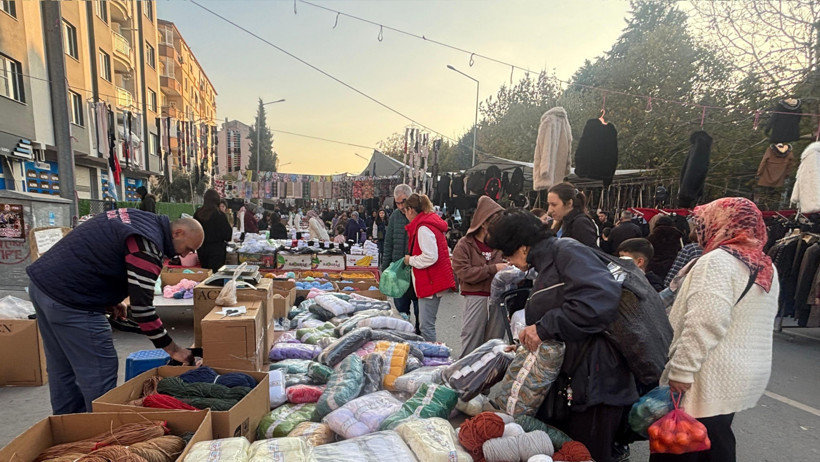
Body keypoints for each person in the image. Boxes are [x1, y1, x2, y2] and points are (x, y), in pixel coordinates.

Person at [487, 208, 635, 462]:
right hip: (577, 378)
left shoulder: (566, 251)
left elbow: (599, 299)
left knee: (587, 455)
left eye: (507, 253)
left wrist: (543, 328)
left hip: (596, 382)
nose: (508, 260)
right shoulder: (548, 261)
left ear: (522, 247)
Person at [26, 209, 201, 414]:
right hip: (72, 300)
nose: (185, 255)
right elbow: (143, 311)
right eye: (188, 248)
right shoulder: (147, 245)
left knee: (62, 368)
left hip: (42, 286)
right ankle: (101, 428)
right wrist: (174, 350)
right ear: (178, 233)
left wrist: (109, 299)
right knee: (99, 371)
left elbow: (102, 255)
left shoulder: (141, 219)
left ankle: (67, 427)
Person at [652, 198, 779, 462]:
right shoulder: (766, 265)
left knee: (683, 444)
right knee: (715, 438)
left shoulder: (718, 262)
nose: (699, 230)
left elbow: (704, 321)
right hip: (740, 373)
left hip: (707, 372)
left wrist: (682, 370)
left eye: (702, 224)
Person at [452, 196, 508, 357]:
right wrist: (493, 269)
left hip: (498, 299)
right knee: (471, 341)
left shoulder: (502, 244)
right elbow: (464, 273)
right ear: (484, 223)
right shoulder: (464, 244)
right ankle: (464, 377)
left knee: (495, 345)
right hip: (475, 297)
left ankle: (488, 379)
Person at [403, 193, 455, 342]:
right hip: (433, 279)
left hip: (430, 281)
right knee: (427, 324)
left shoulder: (423, 228)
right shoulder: (428, 224)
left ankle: (434, 358)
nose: (405, 214)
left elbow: (431, 256)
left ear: (411, 210)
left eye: (405, 210)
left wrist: (410, 260)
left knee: (426, 325)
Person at [382, 184, 420, 331]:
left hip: (416, 270)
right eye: (397, 203)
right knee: (401, 311)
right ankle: (405, 337)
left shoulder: (419, 215)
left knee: (420, 313)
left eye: (403, 202)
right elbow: (388, 243)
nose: (400, 206)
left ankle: (418, 335)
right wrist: (385, 268)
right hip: (399, 270)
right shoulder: (395, 217)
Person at [547, 182, 598, 248]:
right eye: (549, 204)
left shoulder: (580, 223)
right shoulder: (560, 222)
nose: (550, 210)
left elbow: (588, 254)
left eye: (554, 205)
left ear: (569, 203)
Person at [194, 189, 233, 272]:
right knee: (215, 277)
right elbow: (228, 235)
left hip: (201, 249)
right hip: (217, 251)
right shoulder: (220, 215)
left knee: (205, 273)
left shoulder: (197, 214)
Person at [647, 215, 683, 281]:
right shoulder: (677, 234)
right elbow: (680, 248)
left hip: (655, 263)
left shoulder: (654, 234)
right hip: (671, 262)